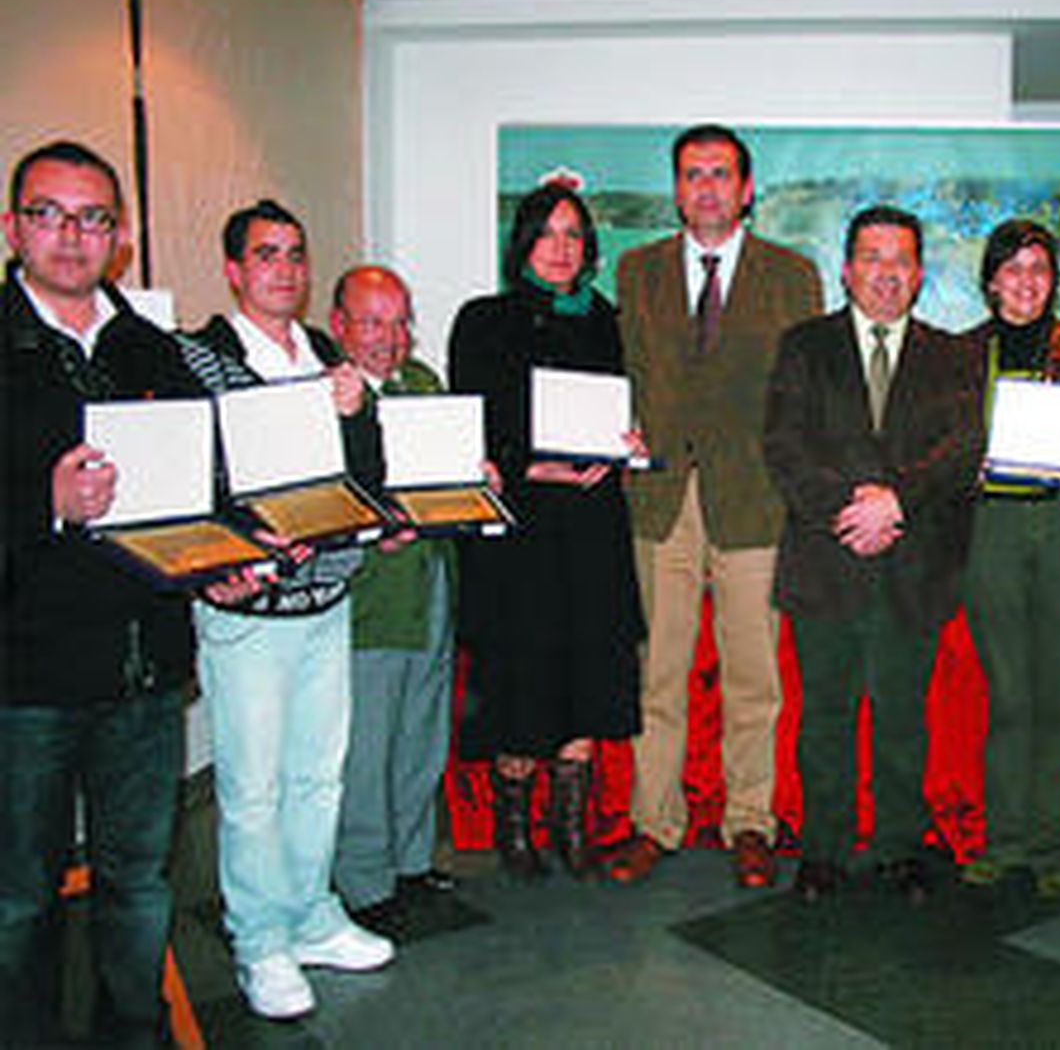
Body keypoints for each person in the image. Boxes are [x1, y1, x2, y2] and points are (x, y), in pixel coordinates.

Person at [0, 141, 202, 1045]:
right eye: (49, 213)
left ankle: (134, 1032)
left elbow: (207, 486)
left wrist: (224, 552)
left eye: (93, 218)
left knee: (140, 880)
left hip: (145, 672)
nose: (71, 235)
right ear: (13, 228)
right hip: (26, 678)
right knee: (18, 894)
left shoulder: (152, 348)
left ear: (118, 239)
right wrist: (41, 502)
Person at [189, 200, 392, 1021]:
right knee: (252, 786)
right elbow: (195, 476)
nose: (285, 269)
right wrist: (241, 541)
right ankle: (259, 937)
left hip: (327, 593)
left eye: (296, 255)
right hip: (251, 608)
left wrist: (357, 413)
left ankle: (310, 913)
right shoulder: (201, 359)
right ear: (236, 270)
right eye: (267, 255)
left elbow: (372, 473)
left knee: (318, 773)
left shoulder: (328, 356)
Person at [610, 124, 823, 890]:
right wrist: (614, 429)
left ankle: (750, 822)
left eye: (720, 175)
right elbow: (621, 375)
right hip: (660, 496)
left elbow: (804, 391)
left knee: (752, 676)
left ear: (746, 189)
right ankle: (652, 822)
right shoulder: (635, 272)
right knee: (657, 673)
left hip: (753, 500)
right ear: (676, 189)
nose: (706, 188)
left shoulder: (791, 275)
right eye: (692, 175)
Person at [764, 205, 983, 903]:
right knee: (824, 715)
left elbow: (962, 447)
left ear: (919, 274)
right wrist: (850, 509)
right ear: (847, 269)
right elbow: (784, 445)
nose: (885, 273)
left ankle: (897, 845)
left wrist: (897, 503)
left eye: (900, 260)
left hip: (913, 564)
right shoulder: (804, 345)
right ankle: (823, 850)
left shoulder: (953, 354)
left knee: (900, 716)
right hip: (826, 562)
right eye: (871, 257)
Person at [449, 181, 644, 883]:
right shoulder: (485, 320)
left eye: (573, 235)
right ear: (523, 242)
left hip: (593, 527)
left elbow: (628, 407)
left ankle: (570, 829)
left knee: (588, 677)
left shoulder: (607, 321)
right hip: (523, 532)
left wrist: (630, 442)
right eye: (548, 233)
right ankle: (515, 830)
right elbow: (472, 424)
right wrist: (534, 465)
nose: (561, 248)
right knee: (522, 682)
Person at [959, 220, 1060, 898]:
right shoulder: (962, 353)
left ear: (1053, 279)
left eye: (1040, 269)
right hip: (990, 530)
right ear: (991, 278)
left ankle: (1051, 844)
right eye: (1013, 268)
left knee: (1057, 692)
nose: (1026, 282)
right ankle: (1004, 840)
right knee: (1009, 693)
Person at [328, 266, 458, 935]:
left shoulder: (423, 382)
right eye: (373, 322)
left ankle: (411, 858)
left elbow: (440, 475)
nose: (389, 337)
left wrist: (477, 474)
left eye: (400, 321)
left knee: (422, 730)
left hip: (431, 576)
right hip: (371, 593)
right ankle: (363, 877)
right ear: (339, 325)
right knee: (368, 739)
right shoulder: (324, 394)